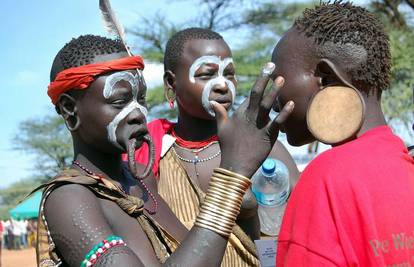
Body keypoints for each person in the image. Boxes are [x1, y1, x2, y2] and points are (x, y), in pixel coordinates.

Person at [33, 34, 292, 266]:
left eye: (140, 99)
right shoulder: (68, 198)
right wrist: (232, 176)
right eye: (120, 101)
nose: (138, 114)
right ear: (70, 110)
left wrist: (248, 214)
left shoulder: (140, 185)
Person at [132, 27, 300, 266]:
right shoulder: (150, 152)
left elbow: (302, 232)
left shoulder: (263, 148)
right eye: (206, 74)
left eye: (229, 74)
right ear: (171, 82)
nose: (223, 85)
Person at [270, 2, 414, 266]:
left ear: (325, 78)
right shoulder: (405, 165)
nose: (272, 100)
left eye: (278, 81)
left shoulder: (326, 179)